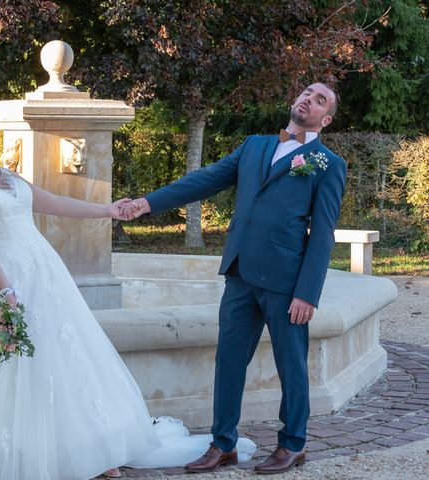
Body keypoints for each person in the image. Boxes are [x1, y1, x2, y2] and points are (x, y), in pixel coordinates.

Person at [0, 112, 255, 480]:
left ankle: (94, 450)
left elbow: (54, 202)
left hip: (46, 274)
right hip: (5, 282)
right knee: (24, 368)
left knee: (71, 357)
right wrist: (7, 291)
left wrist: (107, 210)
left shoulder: (6, 177)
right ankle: (33, 454)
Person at [121, 83, 347, 474]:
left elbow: (323, 233)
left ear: (324, 120)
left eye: (320, 99)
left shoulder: (327, 163)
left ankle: (292, 444)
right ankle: (222, 442)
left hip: (286, 281)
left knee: (291, 364)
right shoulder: (254, 146)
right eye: (307, 92)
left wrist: (308, 293)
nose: (308, 98)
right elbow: (204, 180)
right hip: (241, 273)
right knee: (228, 361)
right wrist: (147, 203)